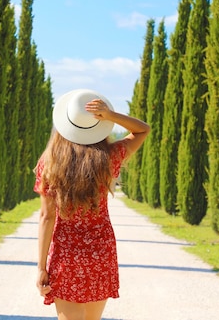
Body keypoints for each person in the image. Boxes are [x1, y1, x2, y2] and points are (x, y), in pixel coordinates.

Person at [34, 88, 150, 320]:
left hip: (66, 254)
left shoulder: (49, 163)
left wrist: (41, 268)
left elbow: (47, 217)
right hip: (100, 251)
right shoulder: (109, 157)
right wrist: (110, 116)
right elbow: (142, 130)